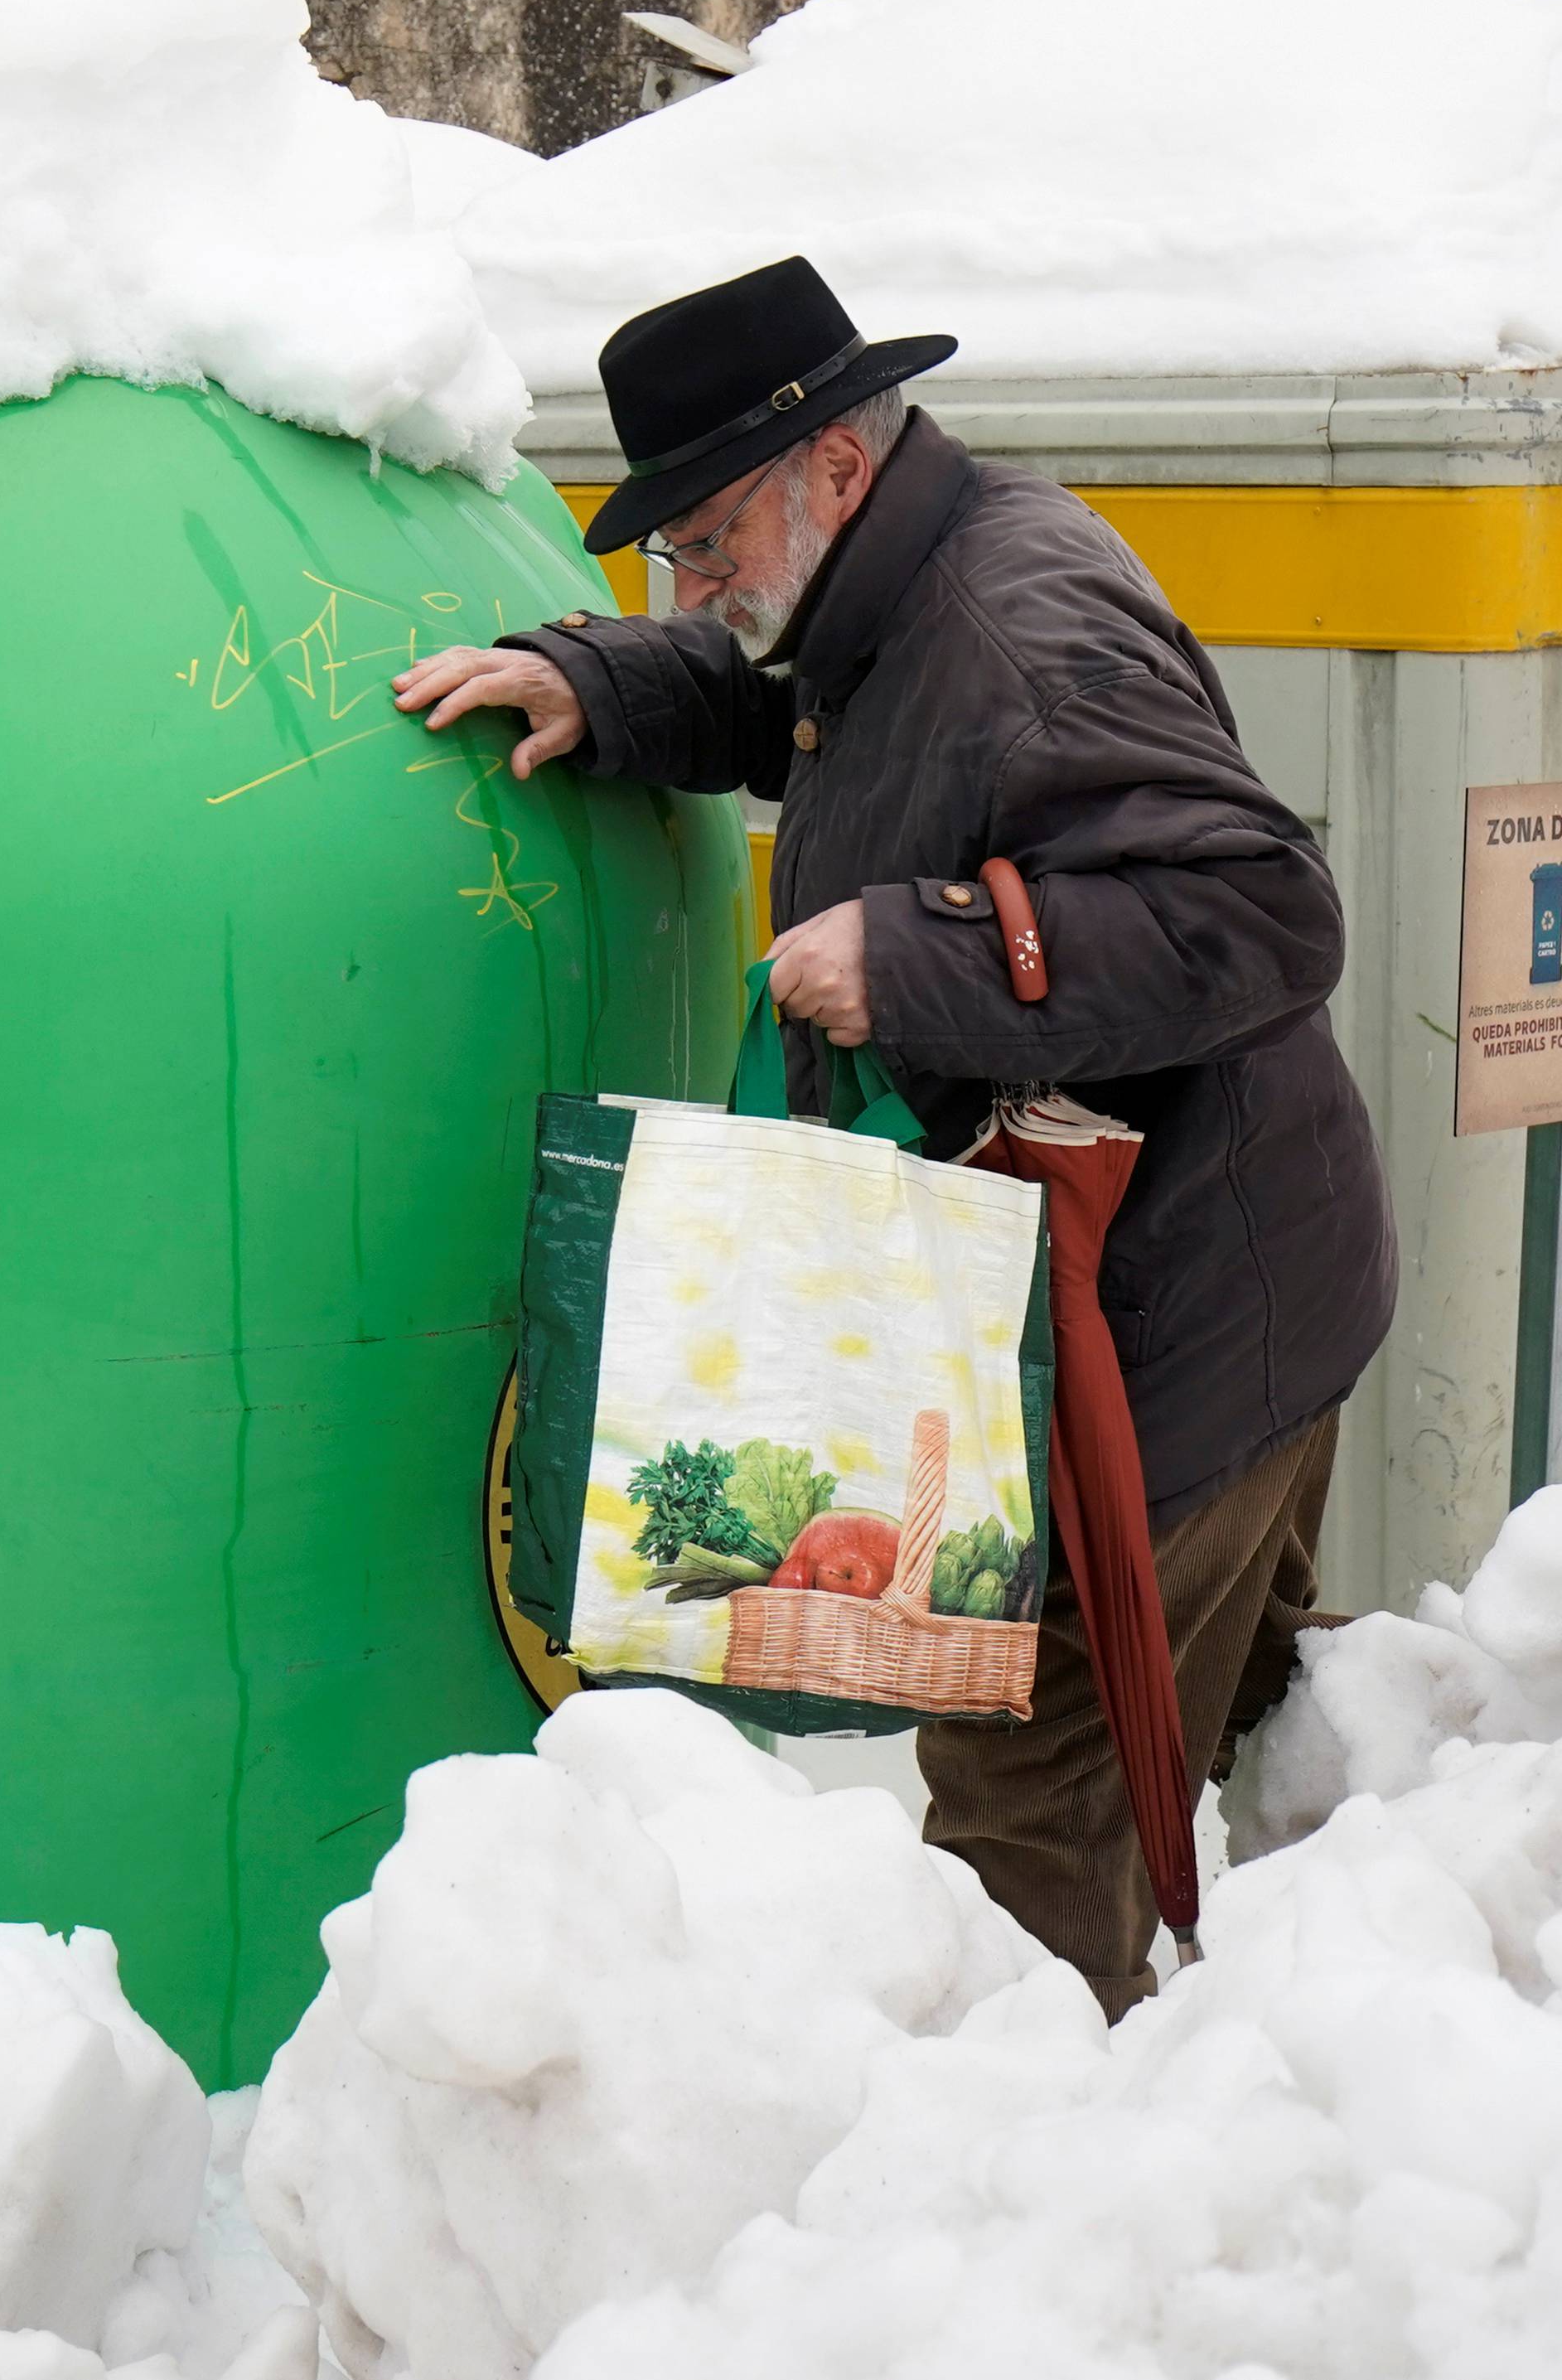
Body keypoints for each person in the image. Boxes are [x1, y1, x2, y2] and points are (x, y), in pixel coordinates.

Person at [393, 253, 1396, 2018]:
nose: (690, 582)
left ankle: (1039, 2207)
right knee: (1259, 1747)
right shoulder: (901, 580)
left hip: (1174, 1336)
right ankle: (1307, 2076)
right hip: (1204, 1278)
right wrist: (605, 681)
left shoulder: (1016, 635)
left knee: (1023, 1822)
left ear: (834, 470)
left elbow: (1266, 910)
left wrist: (920, 953)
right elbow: (805, 702)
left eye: (702, 542)